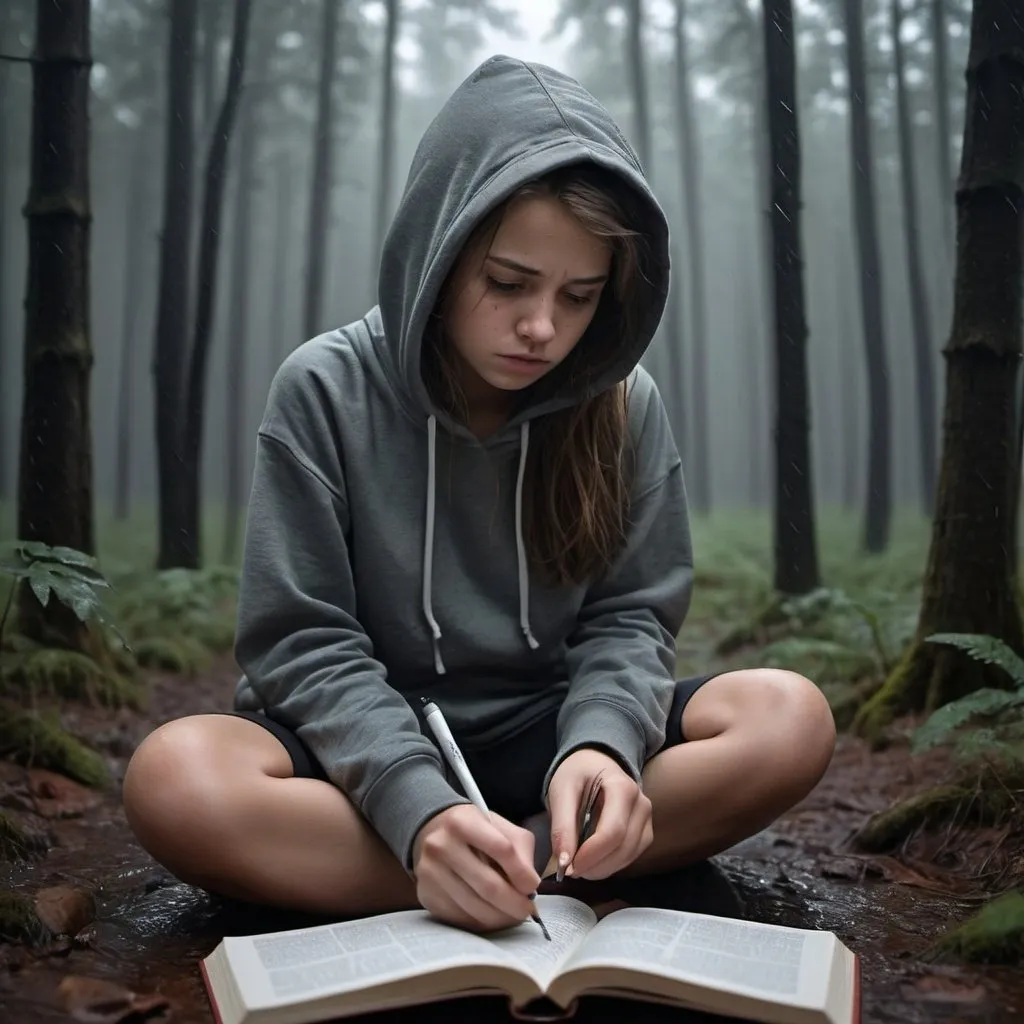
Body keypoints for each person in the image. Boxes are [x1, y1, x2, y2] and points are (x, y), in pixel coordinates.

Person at [122, 55, 836, 935]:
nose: (542, 327)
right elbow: (302, 641)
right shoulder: (323, 388)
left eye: (579, 298)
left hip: (549, 740)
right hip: (355, 755)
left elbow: (630, 619)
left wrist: (605, 746)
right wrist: (416, 803)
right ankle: (499, 872)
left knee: (788, 717)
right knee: (175, 778)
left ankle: (499, 869)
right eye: (508, 283)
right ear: (439, 250)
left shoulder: (622, 403)